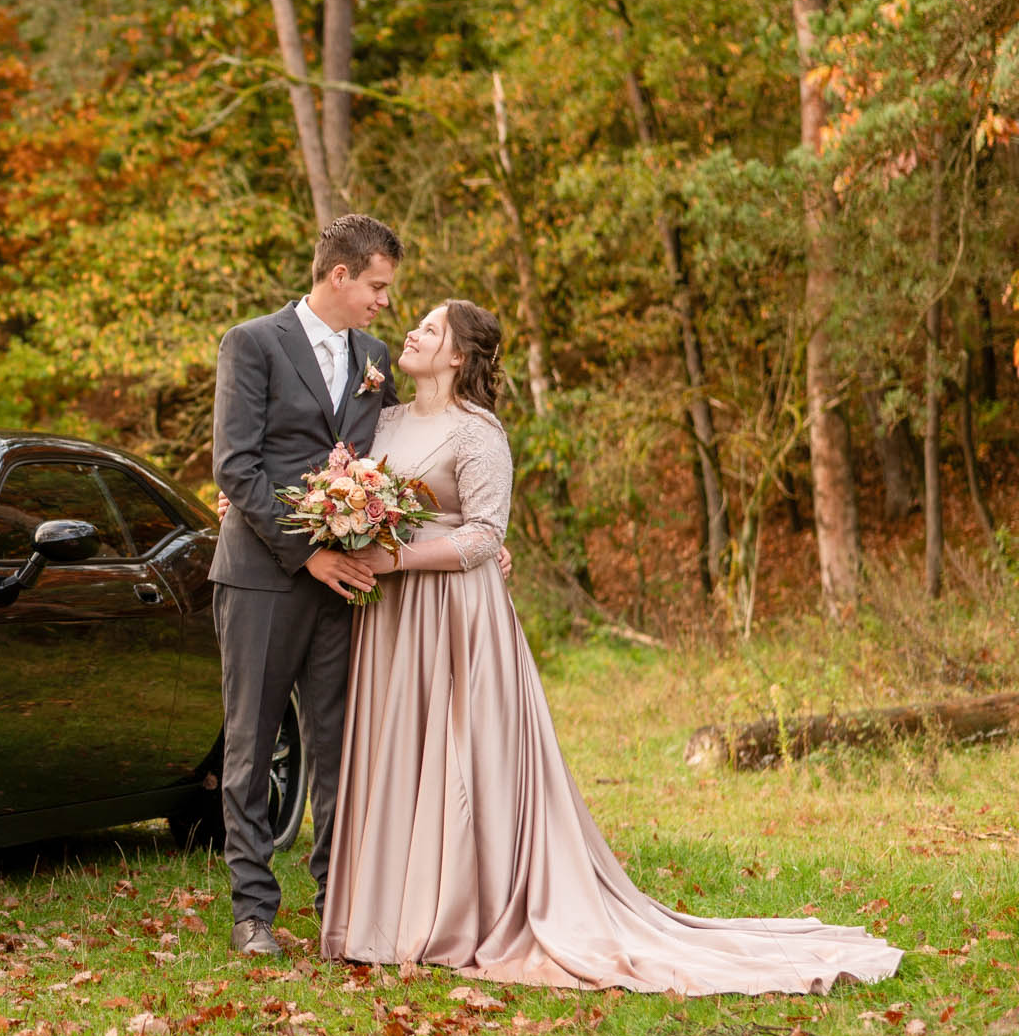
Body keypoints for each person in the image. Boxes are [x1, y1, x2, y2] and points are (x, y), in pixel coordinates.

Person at [315, 299, 902, 994]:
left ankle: (454, 915)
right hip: (392, 625)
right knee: (402, 752)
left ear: (458, 357)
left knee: (460, 762)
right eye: (419, 322)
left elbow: (483, 536)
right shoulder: (379, 421)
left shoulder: (480, 434)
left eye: (432, 328)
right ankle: (390, 913)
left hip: (456, 621)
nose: (412, 331)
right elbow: (342, 485)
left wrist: (400, 561)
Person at [208, 213, 405, 958]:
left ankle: (338, 907)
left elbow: (393, 458)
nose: (384, 302)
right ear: (339, 275)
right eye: (377, 287)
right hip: (262, 574)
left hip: (346, 581)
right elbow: (237, 466)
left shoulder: (376, 357)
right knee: (252, 746)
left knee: (337, 745)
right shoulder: (252, 343)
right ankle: (253, 911)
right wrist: (306, 553)